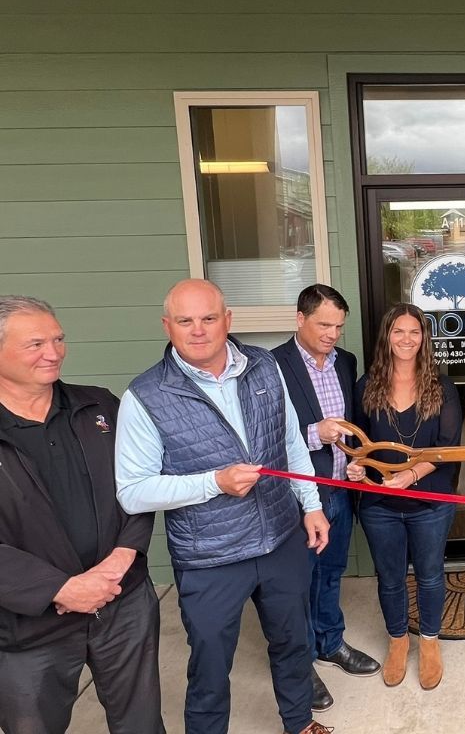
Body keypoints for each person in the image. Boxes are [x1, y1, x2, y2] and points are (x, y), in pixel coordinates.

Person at [114, 279, 332, 734]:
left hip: (280, 538)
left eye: (208, 318)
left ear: (227, 320)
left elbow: (290, 440)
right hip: (210, 556)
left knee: (293, 642)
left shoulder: (264, 365)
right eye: (185, 320)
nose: (198, 330)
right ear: (166, 326)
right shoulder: (146, 396)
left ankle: (300, 722)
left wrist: (310, 505)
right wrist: (212, 483)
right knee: (211, 665)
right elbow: (133, 490)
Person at [0, 296, 163, 734]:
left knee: (142, 723)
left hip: (122, 602)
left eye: (58, 339)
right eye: (35, 344)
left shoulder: (101, 407)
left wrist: (123, 555)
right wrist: (62, 588)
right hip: (28, 627)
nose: (53, 353)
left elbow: (138, 488)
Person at [345, 303, 461, 691]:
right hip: (380, 505)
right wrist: (357, 468)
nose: (406, 339)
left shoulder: (442, 387)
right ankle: (398, 640)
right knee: (390, 578)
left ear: (424, 338)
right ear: (387, 338)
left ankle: (429, 642)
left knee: (429, 576)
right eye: (398, 332)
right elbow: (357, 445)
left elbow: (447, 447)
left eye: (414, 332)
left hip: (430, 502)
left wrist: (409, 476)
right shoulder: (366, 386)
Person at [274, 284, 380, 712]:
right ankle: (300, 667)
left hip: (340, 488)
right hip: (300, 496)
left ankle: (330, 644)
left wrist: (357, 462)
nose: (332, 334)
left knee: (330, 574)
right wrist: (312, 433)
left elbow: (353, 426)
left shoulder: (346, 362)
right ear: (300, 319)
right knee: (297, 583)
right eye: (323, 324)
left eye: (339, 325)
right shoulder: (272, 366)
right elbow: (262, 440)